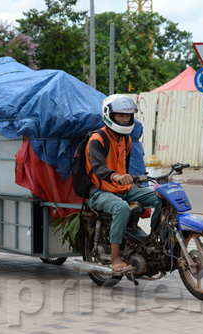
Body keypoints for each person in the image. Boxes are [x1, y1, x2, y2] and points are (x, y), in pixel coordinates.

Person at [86, 94, 160, 273]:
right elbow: (98, 168)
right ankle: (115, 257)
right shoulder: (97, 139)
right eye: (121, 115)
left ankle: (154, 242)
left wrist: (128, 179)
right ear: (109, 116)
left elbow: (124, 167)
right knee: (122, 208)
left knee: (162, 197)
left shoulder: (125, 139)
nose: (125, 119)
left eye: (128, 115)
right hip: (100, 191)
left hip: (122, 189)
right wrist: (115, 177)